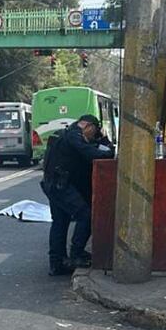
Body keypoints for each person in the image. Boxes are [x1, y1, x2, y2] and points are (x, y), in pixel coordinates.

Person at [41, 114, 115, 276]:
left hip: (53, 184)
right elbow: (93, 154)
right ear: (89, 126)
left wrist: (101, 141)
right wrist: (107, 148)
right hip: (60, 185)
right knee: (85, 216)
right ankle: (76, 255)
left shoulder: (65, 133)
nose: (94, 136)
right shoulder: (74, 136)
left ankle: (57, 263)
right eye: (95, 131)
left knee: (60, 221)